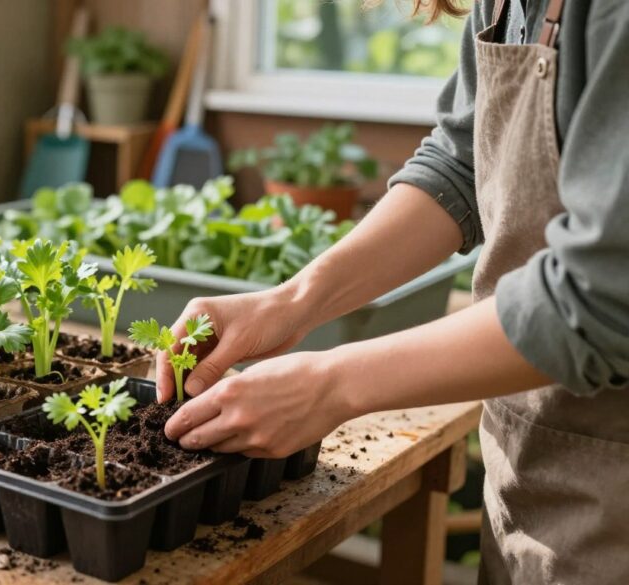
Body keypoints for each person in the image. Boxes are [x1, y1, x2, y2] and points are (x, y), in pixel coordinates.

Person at [155, 0, 629, 582]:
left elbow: (601, 295)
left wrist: (330, 385)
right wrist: (292, 301)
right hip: (537, 476)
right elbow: (460, 164)